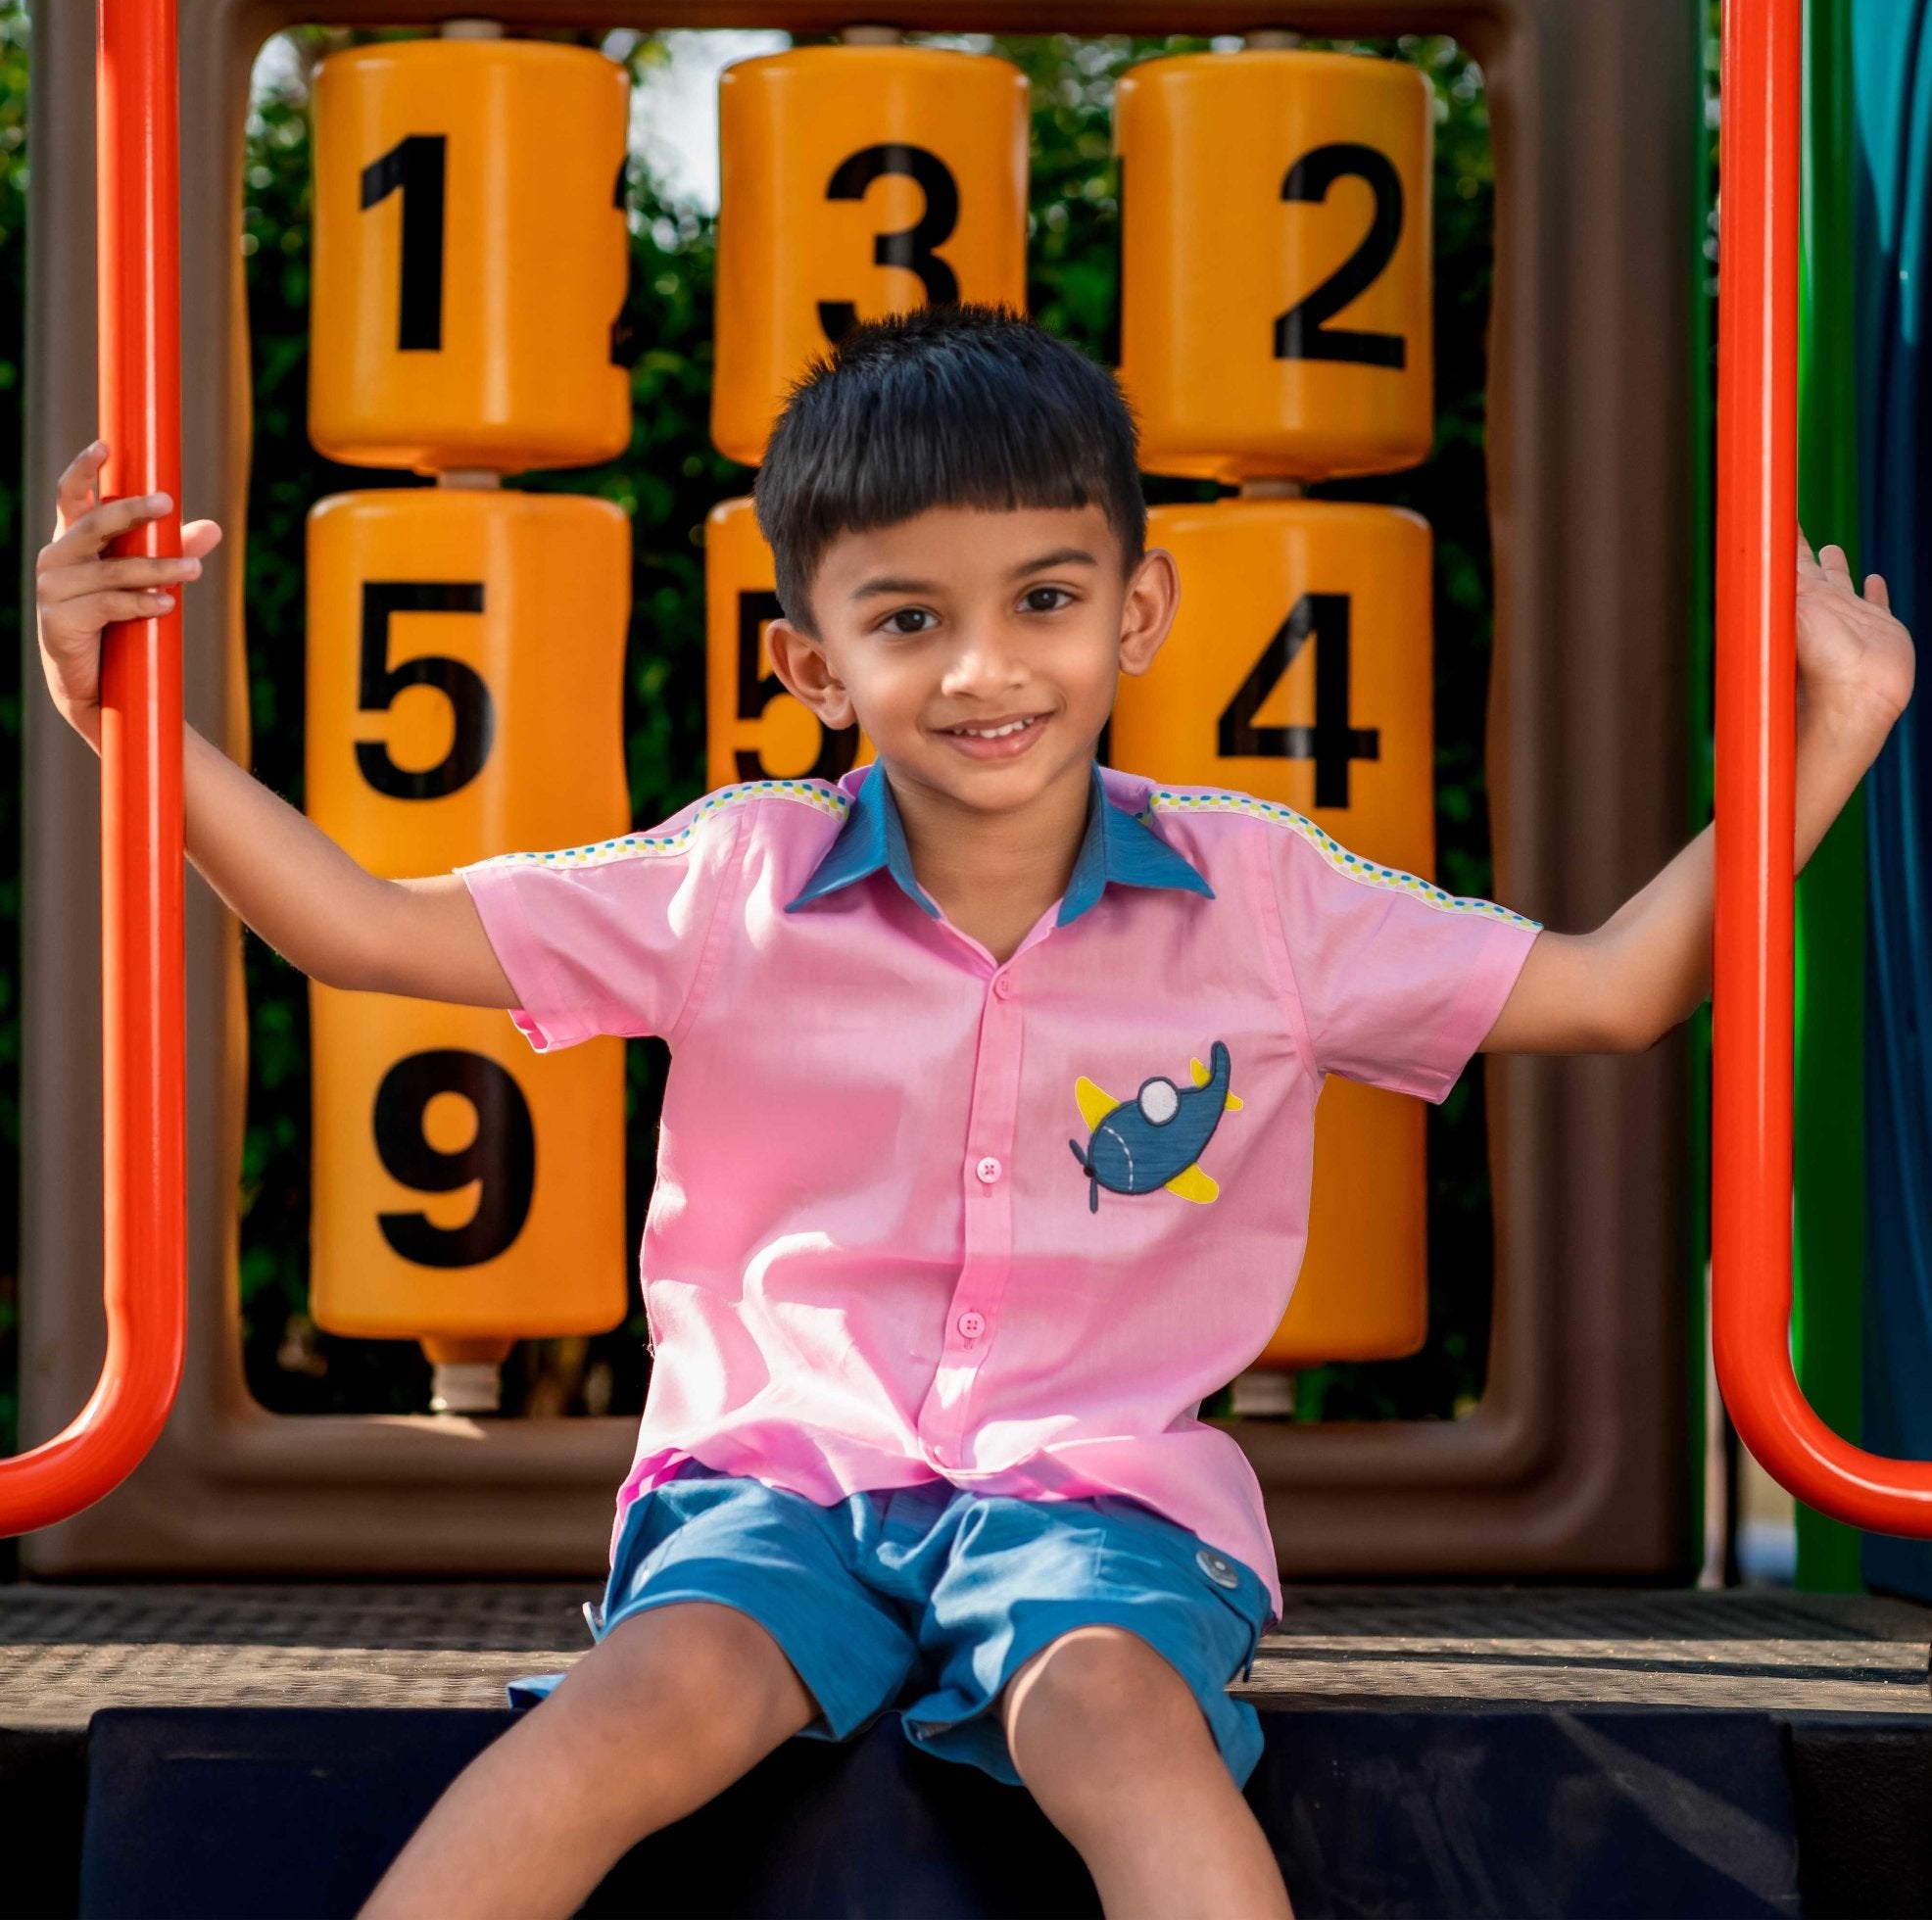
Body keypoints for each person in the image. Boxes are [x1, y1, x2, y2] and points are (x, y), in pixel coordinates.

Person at [36, 305, 1912, 1920]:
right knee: (653, 1693)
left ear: (1138, 607)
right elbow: (361, 928)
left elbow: (1613, 986)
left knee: (1114, 1711)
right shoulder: (735, 885)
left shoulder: (1256, 896)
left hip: (1096, 1491)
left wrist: (1826, 735)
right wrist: (118, 711)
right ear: (810, 663)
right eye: (908, 618)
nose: (985, 668)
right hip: (780, 1476)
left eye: (1045, 599)